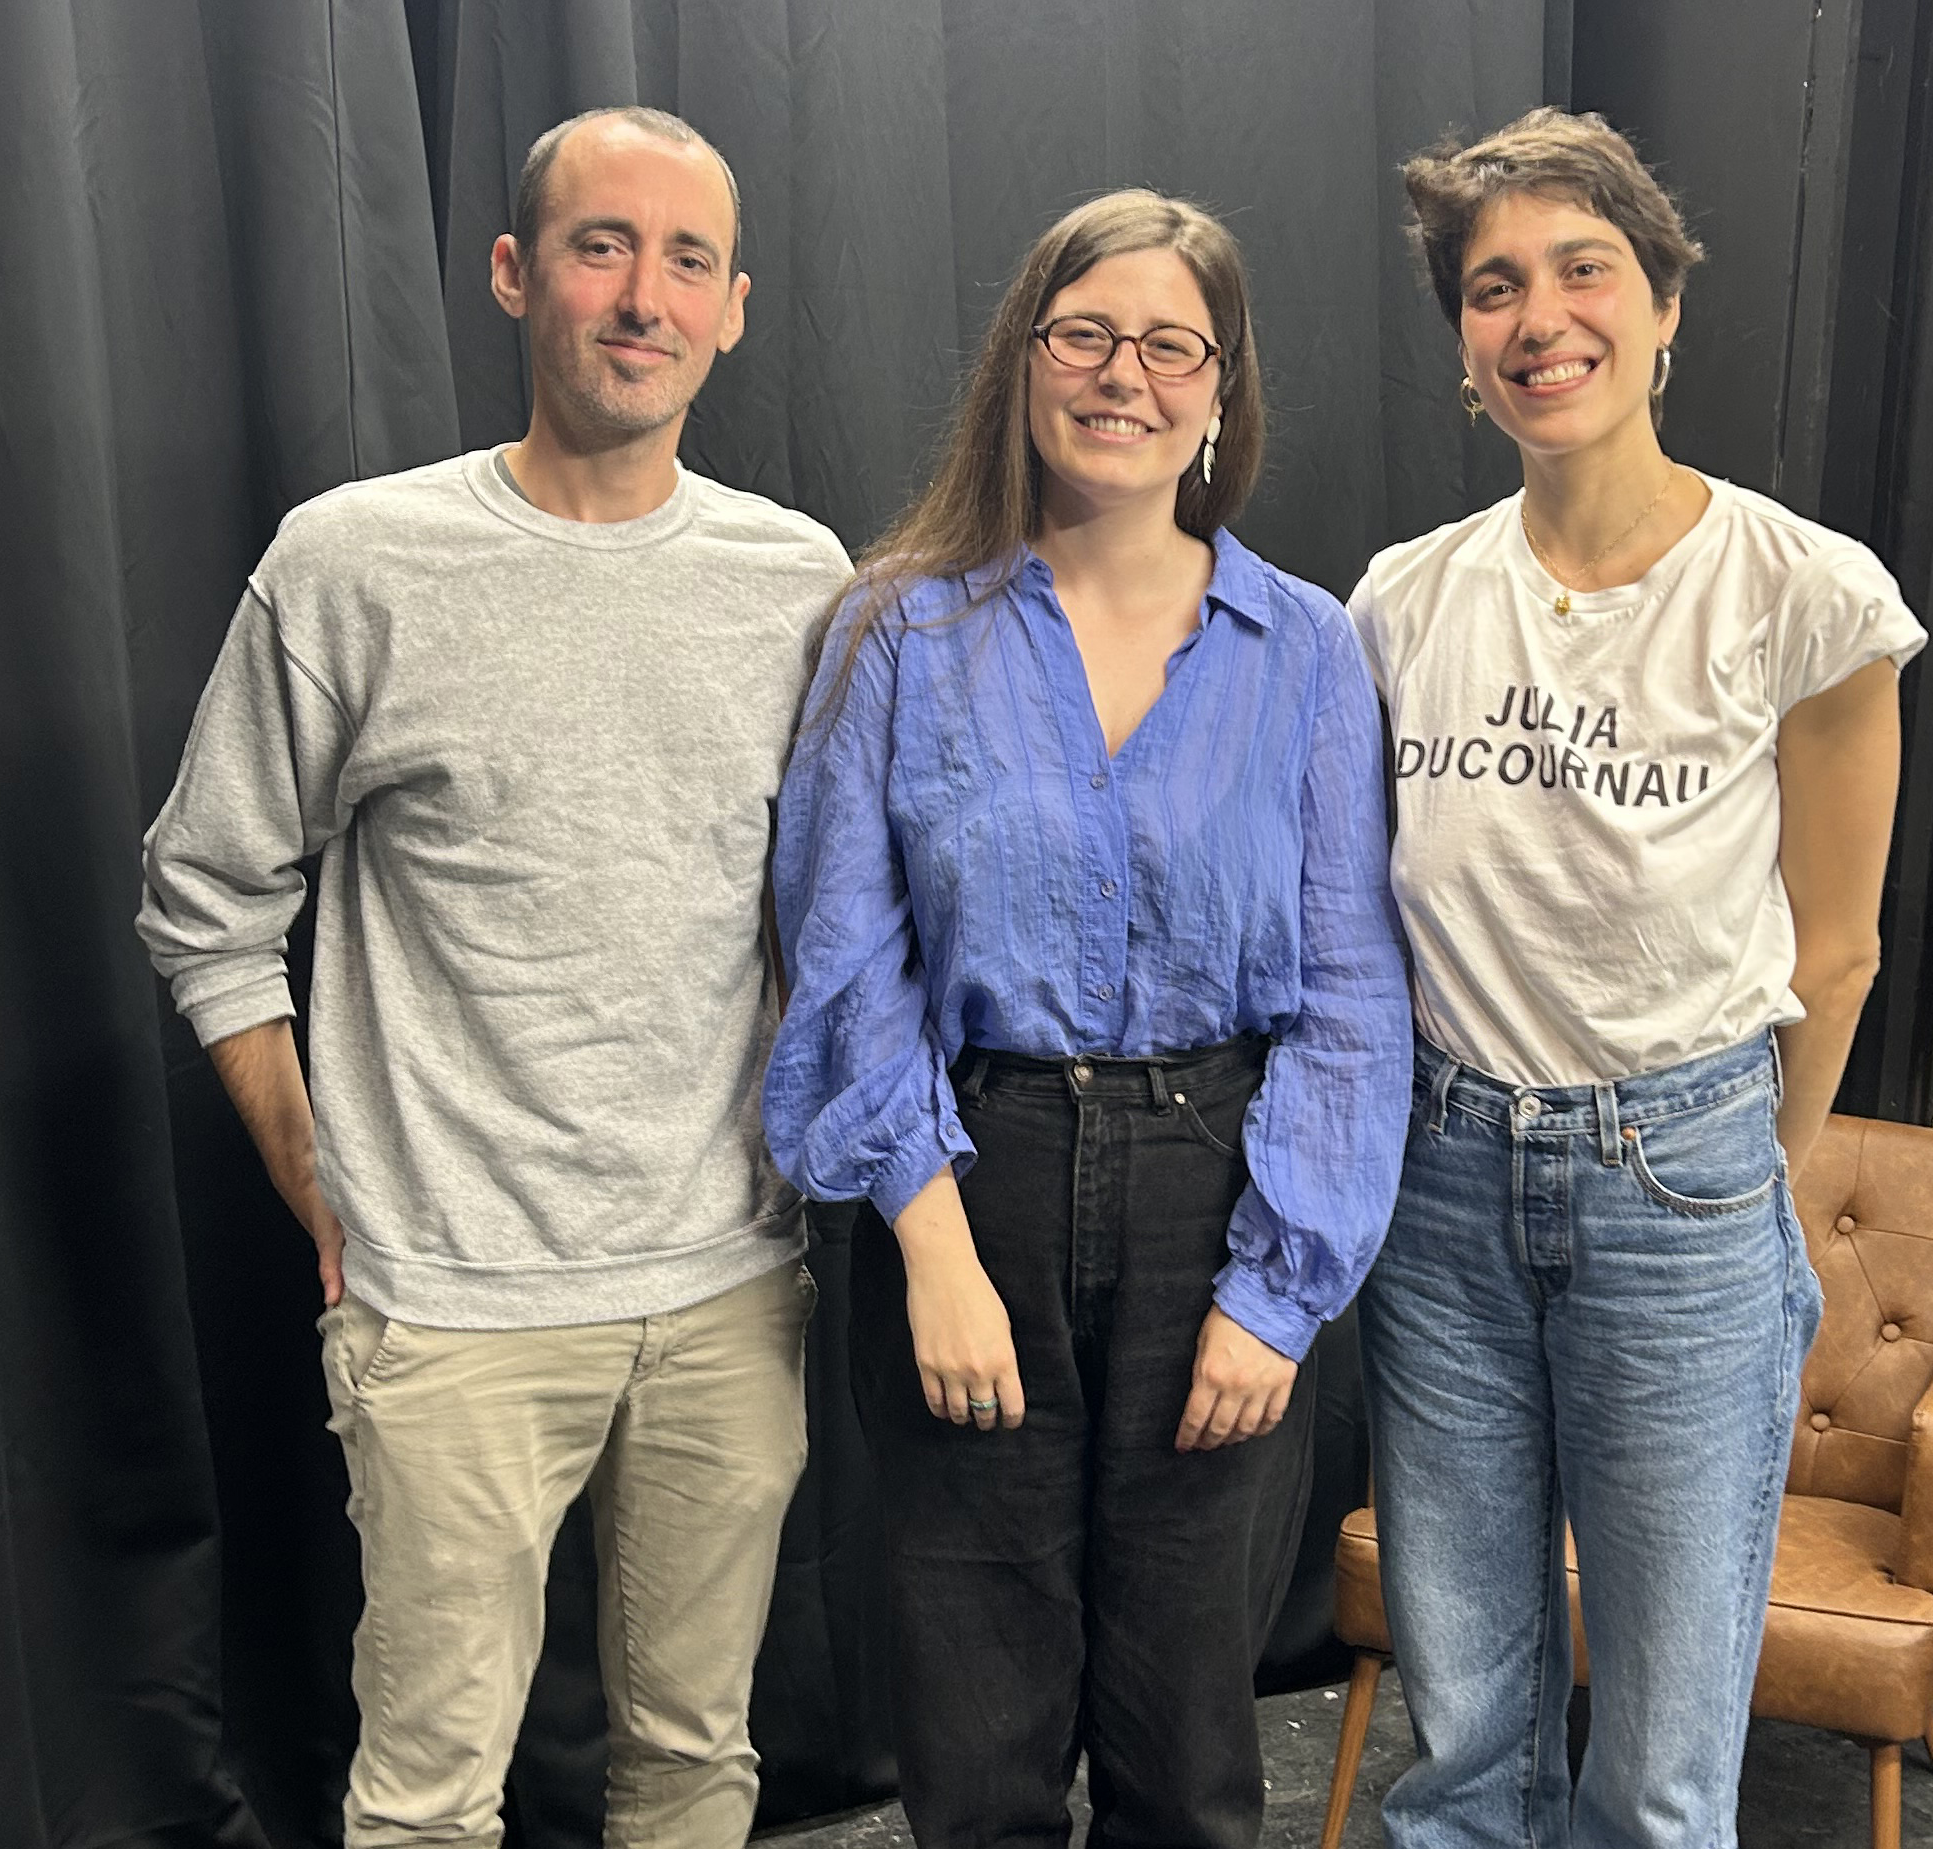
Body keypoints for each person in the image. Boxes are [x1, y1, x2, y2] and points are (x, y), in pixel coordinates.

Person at [135, 108, 850, 1849]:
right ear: (516, 273)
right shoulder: (353, 563)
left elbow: (833, 922)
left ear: (735, 307)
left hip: (727, 1285)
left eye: (687, 259)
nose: (645, 296)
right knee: (430, 1795)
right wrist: (318, 1176)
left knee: (696, 1757)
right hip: (449, 1299)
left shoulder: (801, 581)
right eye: (603, 246)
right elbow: (205, 892)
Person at [763, 190, 1410, 1849]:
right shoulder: (898, 628)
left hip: (1224, 1195)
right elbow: (845, 959)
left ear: (1220, 389)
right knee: (975, 1742)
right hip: (970, 1179)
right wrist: (932, 1249)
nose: (1126, 373)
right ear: (1024, 360)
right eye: (1087, 333)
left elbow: (1352, 994)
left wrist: (1278, 1294)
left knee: (1187, 1748)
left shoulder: (1307, 649)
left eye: (1172, 345)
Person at [1350, 109, 1924, 1849]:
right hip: (1440, 1188)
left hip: (1683, 1179)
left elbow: (1838, 946)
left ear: (1665, 304)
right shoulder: (1401, 604)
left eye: (1583, 270)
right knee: (1465, 1742)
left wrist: (1746, 1180)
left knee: (1662, 1769)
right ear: (1466, 345)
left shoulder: (1801, 593)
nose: (1541, 318)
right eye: (1494, 288)